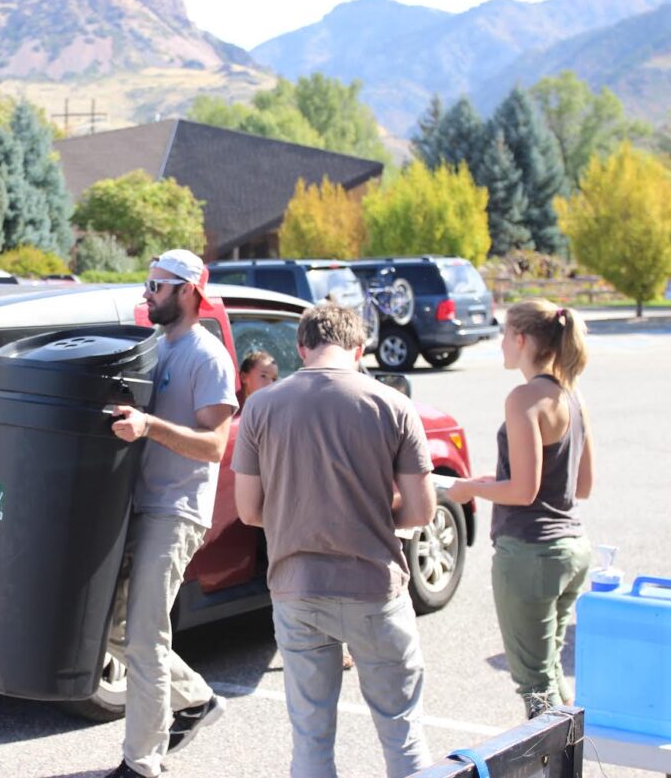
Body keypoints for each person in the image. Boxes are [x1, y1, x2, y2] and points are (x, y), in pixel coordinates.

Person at [232, 303, 436, 778]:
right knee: (403, 734)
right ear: (359, 349)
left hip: (297, 586)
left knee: (311, 741)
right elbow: (422, 510)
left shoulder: (261, 406)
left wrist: (298, 516)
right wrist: (371, 518)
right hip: (375, 586)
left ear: (301, 348)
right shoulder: (393, 405)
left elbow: (249, 511)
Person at [104, 249, 238, 778]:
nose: (147, 293)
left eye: (155, 285)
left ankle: (142, 761)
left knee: (146, 636)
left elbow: (214, 445)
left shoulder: (208, 356)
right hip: (138, 505)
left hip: (176, 511)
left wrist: (149, 426)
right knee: (110, 627)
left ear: (187, 290)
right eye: (147, 283)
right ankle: (197, 699)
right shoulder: (158, 347)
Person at [446, 300, 593, 718]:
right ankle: (572, 747)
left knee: (535, 685)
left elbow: (525, 491)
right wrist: (495, 482)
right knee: (549, 669)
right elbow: (581, 485)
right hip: (571, 548)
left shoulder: (524, 398)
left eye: (505, 334)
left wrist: (470, 489)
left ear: (522, 339)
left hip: (530, 553)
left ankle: (553, 750)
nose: (501, 344)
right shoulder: (572, 396)